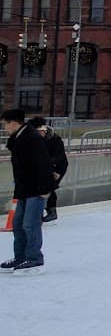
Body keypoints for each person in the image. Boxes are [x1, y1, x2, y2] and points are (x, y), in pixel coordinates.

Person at [3, 107, 51, 273]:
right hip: (23, 189)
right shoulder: (18, 138)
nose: (4, 128)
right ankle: (21, 257)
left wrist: (45, 188)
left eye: (5, 125)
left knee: (30, 224)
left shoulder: (32, 138)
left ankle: (34, 259)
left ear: (14, 123)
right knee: (18, 225)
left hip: (37, 189)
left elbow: (43, 163)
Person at [33, 117, 67, 222]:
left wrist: (54, 171)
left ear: (44, 131)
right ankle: (38, 212)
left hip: (58, 167)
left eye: (39, 132)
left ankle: (51, 211)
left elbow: (60, 156)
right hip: (44, 167)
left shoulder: (55, 139)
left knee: (50, 188)